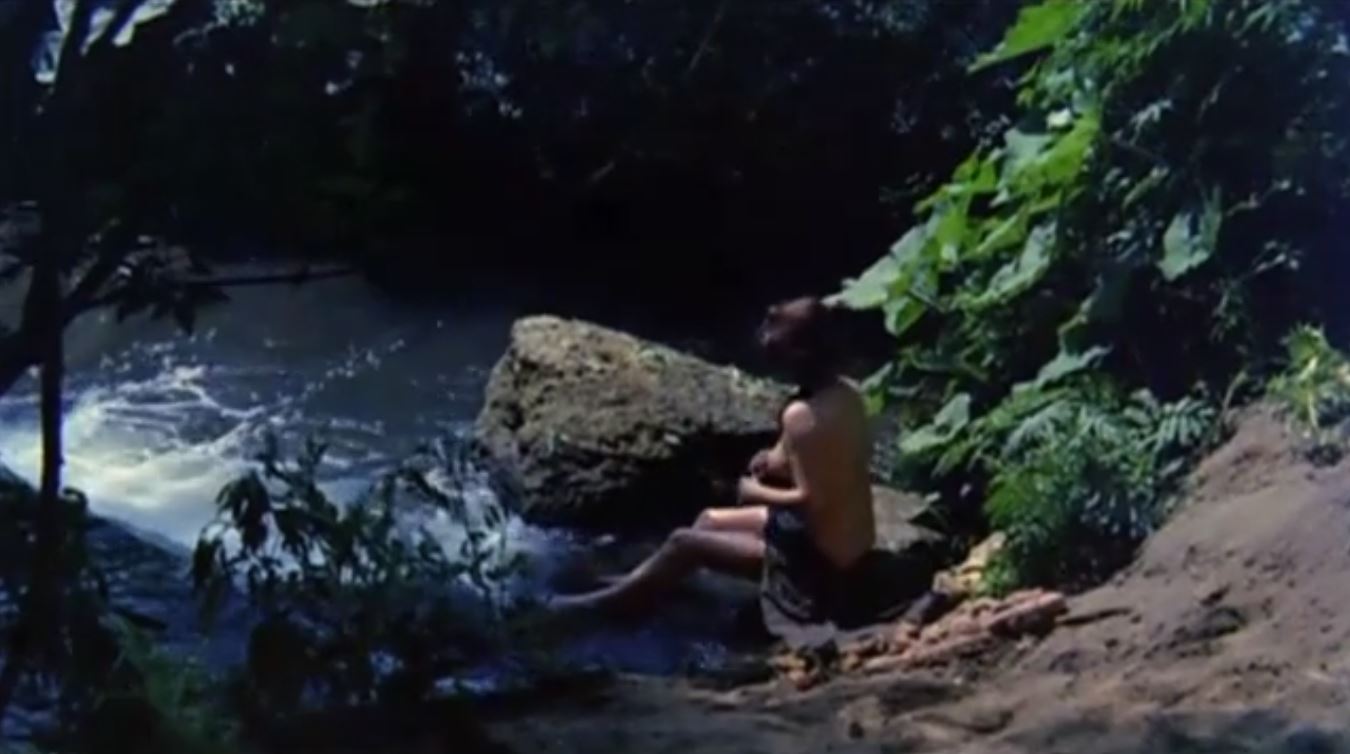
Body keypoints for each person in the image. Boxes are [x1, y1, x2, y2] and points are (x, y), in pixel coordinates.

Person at [549, 296, 877, 625]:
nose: (766, 343)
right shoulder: (845, 393)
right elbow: (828, 455)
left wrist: (753, 492)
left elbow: (811, 500)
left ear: (800, 354)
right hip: (847, 541)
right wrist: (772, 459)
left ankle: (607, 606)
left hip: (819, 562)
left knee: (684, 542)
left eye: (776, 340)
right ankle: (640, 583)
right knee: (708, 520)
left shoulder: (802, 416)